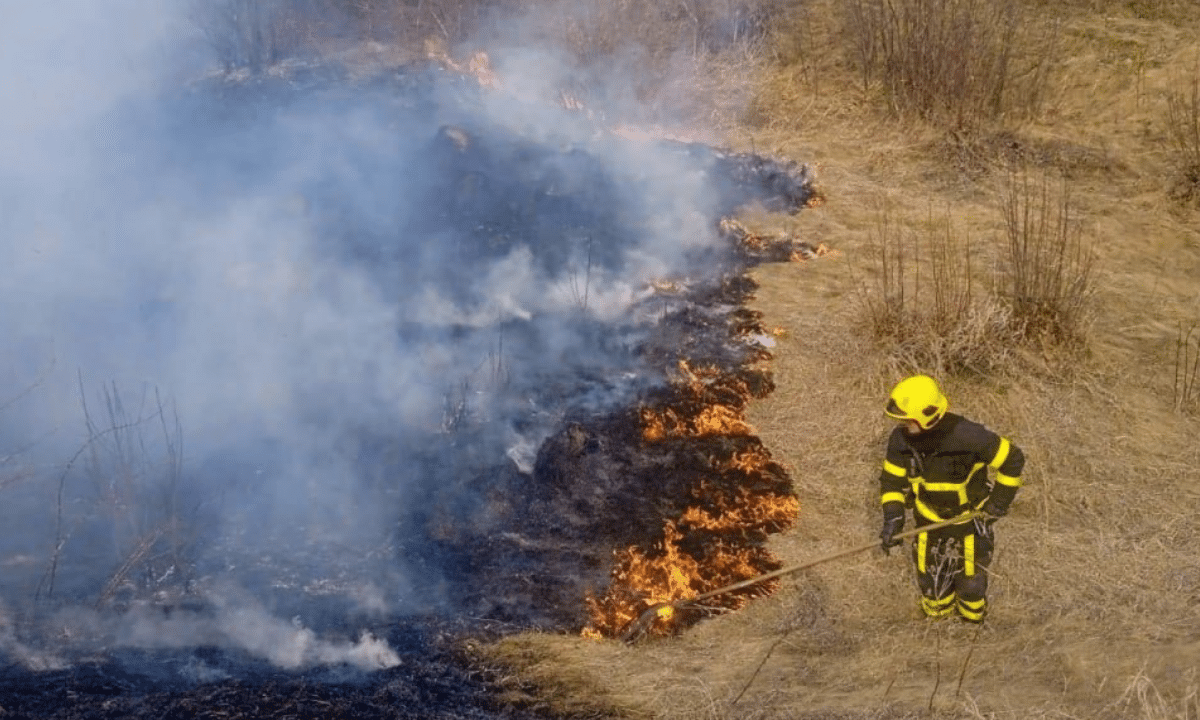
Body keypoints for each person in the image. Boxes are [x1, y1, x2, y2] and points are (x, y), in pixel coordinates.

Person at [876, 375, 1025, 623]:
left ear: (927, 416)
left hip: (970, 526)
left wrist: (998, 503)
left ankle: (972, 627)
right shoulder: (900, 440)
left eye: (908, 421)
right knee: (931, 586)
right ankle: (938, 627)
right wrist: (893, 518)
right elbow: (891, 482)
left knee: (971, 586)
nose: (902, 426)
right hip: (927, 525)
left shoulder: (969, 436)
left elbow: (1013, 459)